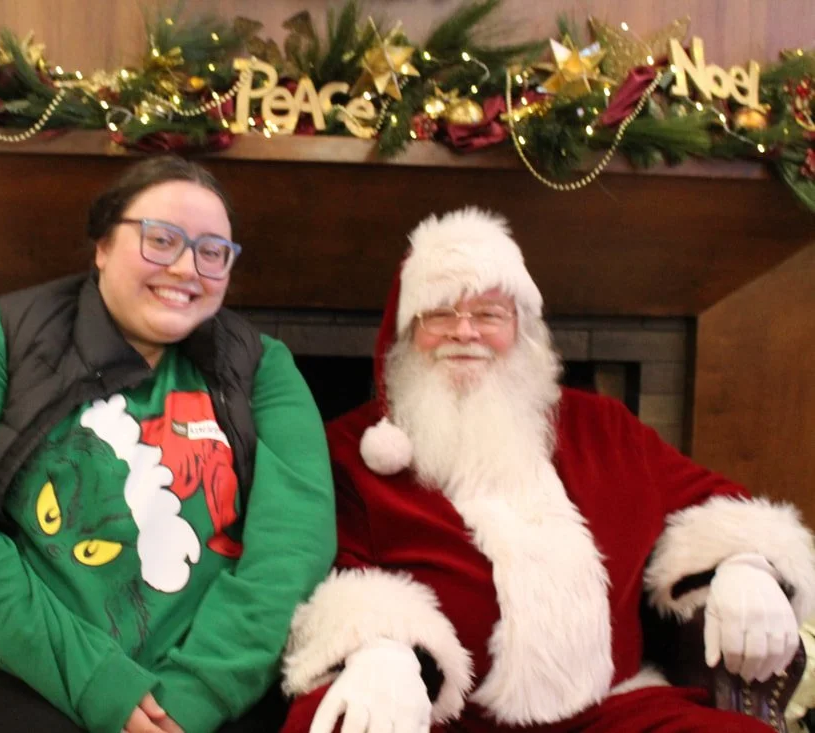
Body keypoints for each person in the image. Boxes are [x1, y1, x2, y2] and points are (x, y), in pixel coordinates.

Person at [279, 208, 815, 733]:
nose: (464, 332)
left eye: (489, 314)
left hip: (613, 711)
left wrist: (746, 563)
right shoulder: (351, 449)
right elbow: (323, 571)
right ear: (406, 334)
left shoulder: (602, 426)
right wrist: (378, 648)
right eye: (439, 313)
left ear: (521, 329)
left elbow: (711, 500)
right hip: (444, 717)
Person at [0, 155, 336, 733]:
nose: (186, 268)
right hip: (22, 674)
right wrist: (99, 683)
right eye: (160, 240)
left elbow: (294, 543)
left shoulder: (262, 367)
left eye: (212, 252)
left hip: (210, 690)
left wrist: (196, 695)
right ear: (102, 245)